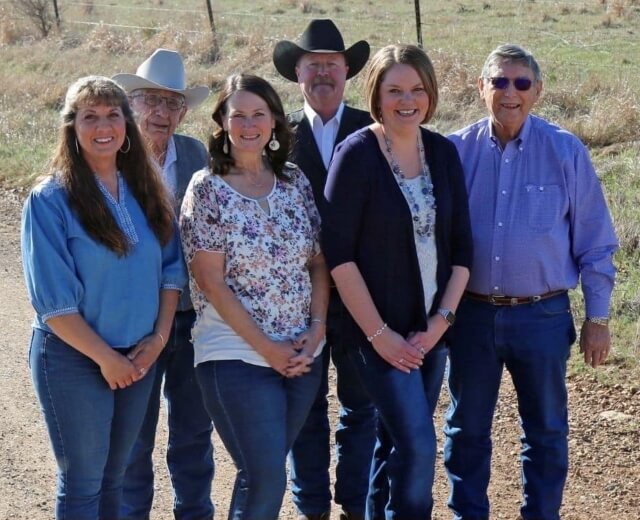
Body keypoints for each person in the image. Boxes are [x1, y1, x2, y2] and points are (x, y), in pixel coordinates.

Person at [444, 44, 618, 520]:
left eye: (521, 83)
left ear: (538, 91)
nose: (510, 93)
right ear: (481, 88)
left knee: (545, 431)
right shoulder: (455, 151)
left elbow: (595, 243)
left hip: (542, 315)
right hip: (471, 315)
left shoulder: (565, 151)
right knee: (466, 430)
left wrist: (597, 318)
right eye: (499, 81)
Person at [21, 76, 186, 519]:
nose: (104, 126)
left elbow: (172, 271)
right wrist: (106, 359)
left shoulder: (148, 192)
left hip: (139, 355)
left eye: (114, 115)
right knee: (83, 484)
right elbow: (54, 304)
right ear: (72, 128)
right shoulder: (50, 200)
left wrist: (157, 339)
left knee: (117, 478)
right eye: (90, 117)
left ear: (127, 125)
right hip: (75, 359)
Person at [322, 44, 473, 519]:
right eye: (394, 90)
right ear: (377, 95)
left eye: (417, 89)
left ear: (429, 93)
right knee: (418, 446)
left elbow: (463, 252)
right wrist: (380, 336)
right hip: (374, 336)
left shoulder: (444, 153)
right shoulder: (357, 156)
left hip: (430, 333)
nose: (407, 100)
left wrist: (439, 325)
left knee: (395, 444)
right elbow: (339, 257)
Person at [180, 73, 330, 519]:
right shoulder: (206, 188)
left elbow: (318, 263)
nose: (249, 124)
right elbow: (210, 282)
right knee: (265, 475)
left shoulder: (294, 181)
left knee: (261, 475)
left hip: (303, 352)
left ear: (274, 122)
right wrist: (268, 348)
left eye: (258, 114)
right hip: (235, 355)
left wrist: (317, 330)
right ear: (222, 123)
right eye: (238, 115)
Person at [272, 19, 376, 520]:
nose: (323, 75)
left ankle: (355, 503)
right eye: (313, 65)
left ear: (347, 71)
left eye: (332, 65)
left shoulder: (373, 129)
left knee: (362, 408)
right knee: (304, 408)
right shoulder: (274, 135)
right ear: (298, 72)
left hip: (362, 297)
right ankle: (310, 506)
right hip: (296, 298)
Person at [113, 48, 215, 520]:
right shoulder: (111, 157)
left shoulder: (199, 155)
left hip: (193, 319)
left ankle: (194, 513)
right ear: (132, 103)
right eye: (151, 100)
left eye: (172, 103)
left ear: (183, 111)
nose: (160, 112)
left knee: (194, 433)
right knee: (135, 436)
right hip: (134, 320)